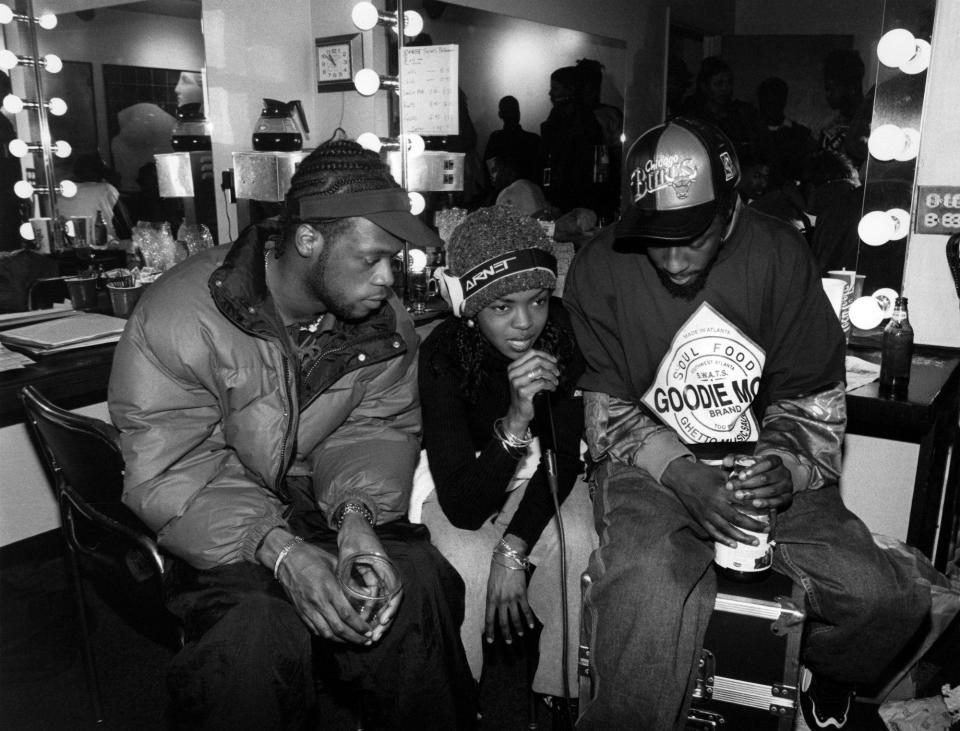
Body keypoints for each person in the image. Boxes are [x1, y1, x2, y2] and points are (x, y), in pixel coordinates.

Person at [564, 116, 938, 730]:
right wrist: (681, 473)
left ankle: (827, 680)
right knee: (648, 592)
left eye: (694, 236)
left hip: (761, 458)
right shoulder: (600, 267)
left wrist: (786, 467)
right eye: (656, 239)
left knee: (886, 599)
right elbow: (606, 408)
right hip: (650, 466)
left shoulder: (780, 252)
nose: (674, 260)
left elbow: (812, 397)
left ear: (730, 209)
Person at [108, 139, 478, 730]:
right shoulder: (178, 314)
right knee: (257, 627)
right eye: (372, 258)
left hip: (317, 499)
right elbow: (172, 469)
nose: (390, 277)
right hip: (213, 518)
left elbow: (374, 427)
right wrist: (279, 550)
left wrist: (357, 517)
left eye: (396, 258)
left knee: (416, 582)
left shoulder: (384, 323)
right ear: (309, 241)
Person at [418, 205, 596, 726]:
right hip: (465, 478)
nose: (525, 323)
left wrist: (513, 549)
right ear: (470, 307)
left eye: (538, 300)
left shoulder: (561, 333)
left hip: (544, 473)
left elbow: (563, 459)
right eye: (502, 307)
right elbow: (465, 507)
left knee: (577, 541)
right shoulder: (443, 354)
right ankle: (462, 701)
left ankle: (560, 699)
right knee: (464, 563)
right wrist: (516, 420)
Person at [539, 66, 605, 217]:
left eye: (555, 89)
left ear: (570, 90)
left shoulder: (585, 121)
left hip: (578, 198)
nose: (550, 93)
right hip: (561, 196)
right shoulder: (557, 116)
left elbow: (599, 164)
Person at [679, 56, 763, 156]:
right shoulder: (692, 116)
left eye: (729, 83)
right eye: (719, 84)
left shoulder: (740, 114)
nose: (725, 88)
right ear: (704, 86)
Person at [56, 153, 130, 242]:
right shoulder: (105, 189)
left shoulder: (62, 191)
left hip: (65, 246)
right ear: (102, 173)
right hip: (102, 247)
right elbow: (125, 228)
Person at [483, 96, 542, 187]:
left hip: (503, 194)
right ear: (519, 113)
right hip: (529, 193)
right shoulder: (533, 139)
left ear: (500, 114)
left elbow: (490, 174)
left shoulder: (496, 138)